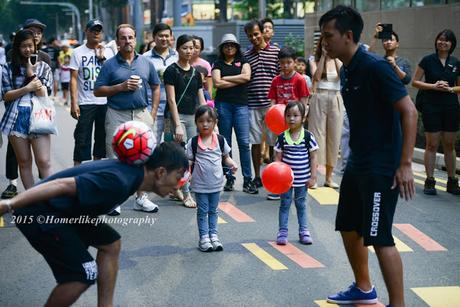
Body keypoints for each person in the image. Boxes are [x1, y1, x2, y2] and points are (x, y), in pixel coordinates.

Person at [0, 142, 188, 306]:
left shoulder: (133, 175)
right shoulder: (119, 180)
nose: (178, 184)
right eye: (178, 176)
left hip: (68, 212)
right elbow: (62, 185)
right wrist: (10, 204)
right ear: (161, 172)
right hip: (39, 212)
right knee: (82, 275)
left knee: (111, 243)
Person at [319, 6, 418, 307]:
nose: (324, 43)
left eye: (328, 36)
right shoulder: (348, 67)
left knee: (379, 236)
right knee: (348, 225)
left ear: (348, 36)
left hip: (381, 166)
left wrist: (404, 165)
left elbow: (409, 111)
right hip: (358, 162)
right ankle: (364, 288)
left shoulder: (376, 67)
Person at [94, 24, 161, 215]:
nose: (127, 41)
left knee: (144, 157)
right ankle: (114, 200)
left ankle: (141, 198)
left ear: (135, 39)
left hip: (141, 113)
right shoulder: (109, 65)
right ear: (117, 42)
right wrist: (120, 87)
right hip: (117, 113)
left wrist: (153, 112)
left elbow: (156, 86)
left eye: (130, 37)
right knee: (115, 158)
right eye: (123, 38)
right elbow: (98, 90)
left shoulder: (146, 63)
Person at [1, 19, 51, 199]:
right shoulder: (7, 68)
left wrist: (31, 73)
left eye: (30, 46)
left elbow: (45, 93)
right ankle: (32, 199)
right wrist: (26, 89)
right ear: (17, 48)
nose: (27, 50)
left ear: (35, 46)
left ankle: (48, 198)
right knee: (24, 162)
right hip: (15, 118)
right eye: (23, 46)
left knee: (44, 161)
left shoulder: (43, 66)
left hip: (39, 116)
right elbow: (5, 95)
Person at [412, 29, 460, 195]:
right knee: (431, 144)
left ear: (452, 44)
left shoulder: (456, 62)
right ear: (436, 42)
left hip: (451, 106)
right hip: (431, 105)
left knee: (449, 143)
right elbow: (415, 82)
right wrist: (433, 86)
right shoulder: (427, 60)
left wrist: (450, 88)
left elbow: (459, 87)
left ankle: (452, 180)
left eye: (447, 40)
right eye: (440, 39)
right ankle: (430, 180)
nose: (443, 42)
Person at [186, 105, 237, 252]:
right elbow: (189, 161)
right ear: (196, 123)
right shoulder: (193, 142)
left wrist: (232, 164)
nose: (205, 124)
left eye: (209, 121)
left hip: (216, 184)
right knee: (202, 211)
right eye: (201, 121)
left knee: (214, 211)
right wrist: (183, 171)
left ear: (215, 122)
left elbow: (226, 158)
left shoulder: (220, 140)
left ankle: (214, 236)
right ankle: (204, 238)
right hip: (200, 185)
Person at [164, 34, 207, 208]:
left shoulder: (197, 73)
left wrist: (210, 120)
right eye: (185, 48)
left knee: (190, 156)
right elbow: (171, 100)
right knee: (178, 156)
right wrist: (177, 126)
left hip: (191, 117)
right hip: (173, 117)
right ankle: (186, 194)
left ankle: (177, 187)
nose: (189, 51)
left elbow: (201, 99)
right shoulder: (171, 71)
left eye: (192, 48)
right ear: (178, 49)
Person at [212, 33, 258, 194]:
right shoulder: (217, 63)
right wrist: (236, 79)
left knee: (244, 143)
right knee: (225, 144)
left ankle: (247, 179)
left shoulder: (244, 61)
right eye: (226, 45)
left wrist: (227, 78)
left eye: (232, 45)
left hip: (241, 106)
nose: (229, 47)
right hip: (223, 105)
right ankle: (229, 178)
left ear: (237, 47)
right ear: (222, 48)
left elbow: (247, 77)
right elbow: (217, 83)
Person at [70, 19, 115, 167]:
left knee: (101, 137)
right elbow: (74, 79)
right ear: (86, 31)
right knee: (82, 137)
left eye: (99, 30)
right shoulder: (77, 52)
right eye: (93, 30)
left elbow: (113, 76)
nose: (96, 33)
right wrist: (73, 103)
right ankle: (76, 169)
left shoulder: (109, 52)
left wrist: (102, 59)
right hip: (86, 102)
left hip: (105, 102)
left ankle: (96, 168)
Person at [267, 46, 310, 200]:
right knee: (278, 153)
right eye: (282, 63)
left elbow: (304, 101)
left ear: (294, 63)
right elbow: (272, 101)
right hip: (279, 124)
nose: (285, 66)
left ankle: (296, 184)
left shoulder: (300, 79)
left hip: (295, 123)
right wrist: (271, 116)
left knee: (296, 154)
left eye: (288, 62)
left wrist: (302, 119)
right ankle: (277, 185)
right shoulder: (276, 80)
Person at [274, 102, 318, 245]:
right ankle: (282, 232)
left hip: (302, 180)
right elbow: (278, 160)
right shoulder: (282, 137)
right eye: (288, 115)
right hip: (286, 181)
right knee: (285, 204)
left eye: (295, 115)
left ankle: (304, 231)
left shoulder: (307, 137)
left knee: (301, 205)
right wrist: (277, 180)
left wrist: (313, 177)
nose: (292, 119)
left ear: (303, 118)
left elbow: (313, 157)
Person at [243, 20, 280, 188]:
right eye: (250, 35)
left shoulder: (276, 52)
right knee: (255, 142)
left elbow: (281, 77)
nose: (254, 38)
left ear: (262, 32)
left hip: (272, 105)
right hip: (252, 104)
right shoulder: (246, 55)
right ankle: (257, 176)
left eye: (256, 34)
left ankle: (272, 174)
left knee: (273, 143)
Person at [308, 35, 344, 188]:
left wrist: (334, 56)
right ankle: (314, 177)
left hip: (336, 98)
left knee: (334, 137)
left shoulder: (339, 60)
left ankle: (329, 178)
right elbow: (316, 77)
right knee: (316, 136)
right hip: (319, 97)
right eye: (325, 42)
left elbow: (343, 74)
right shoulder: (313, 59)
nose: (327, 44)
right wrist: (323, 56)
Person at [143, 23, 178, 144]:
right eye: (160, 36)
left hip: (172, 110)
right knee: (152, 143)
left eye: (167, 36)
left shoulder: (178, 56)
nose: (164, 39)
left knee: (170, 142)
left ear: (171, 37)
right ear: (154, 37)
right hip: (152, 109)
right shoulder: (145, 58)